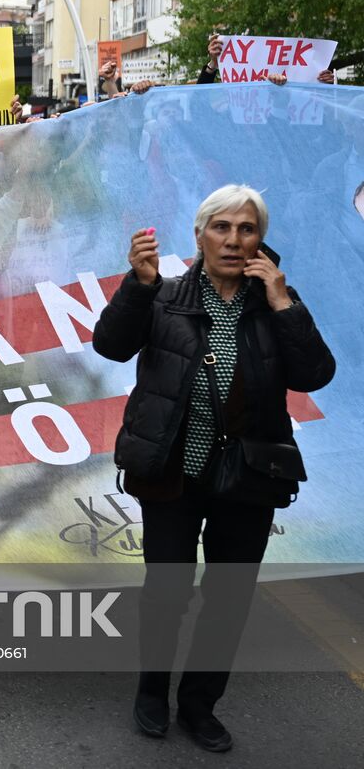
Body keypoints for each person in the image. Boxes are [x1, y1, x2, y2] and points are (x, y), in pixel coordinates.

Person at [92, 184, 335, 753]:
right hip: (171, 471)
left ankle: (200, 705)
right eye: (221, 228)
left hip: (250, 477)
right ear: (199, 235)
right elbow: (110, 346)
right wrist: (138, 284)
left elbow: (314, 375)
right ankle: (152, 692)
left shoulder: (276, 300)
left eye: (246, 230)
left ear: (260, 240)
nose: (233, 240)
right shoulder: (165, 294)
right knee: (167, 591)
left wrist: (282, 304)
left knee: (229, 598)